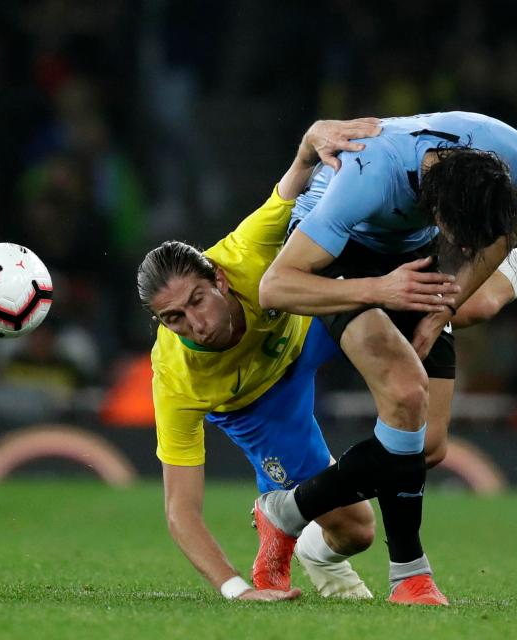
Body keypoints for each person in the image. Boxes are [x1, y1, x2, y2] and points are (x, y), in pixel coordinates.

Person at [254, 111, 517, 606]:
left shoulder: (514, 156)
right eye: (459, 239)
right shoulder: (365, 179)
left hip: (406, 244)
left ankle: (287, 515)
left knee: (428, 443)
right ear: (434, 207)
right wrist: (382, 289)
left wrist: (440, 312)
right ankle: (409, 577)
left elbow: (503, 233)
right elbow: (276, 286)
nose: (465, 249)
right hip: (342, 252)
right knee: (405, 394)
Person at [140, 118, 383, 602]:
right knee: (357, 531)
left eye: (197, 301)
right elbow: (180, 512)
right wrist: (236, 591)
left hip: (308, 327)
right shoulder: (175, 379)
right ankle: (291, 525)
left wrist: (313, 135)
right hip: (260, 407)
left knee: (404, 310)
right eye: (174, 319)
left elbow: (300, 171)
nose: (197, 325)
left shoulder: (246, 250)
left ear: (221, 281)